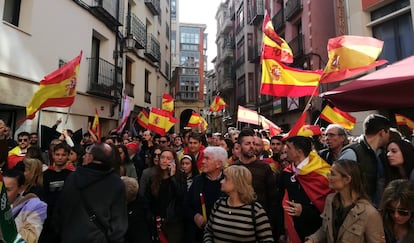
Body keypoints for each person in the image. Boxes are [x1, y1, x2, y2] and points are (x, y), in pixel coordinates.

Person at [55, 143, 128, 243]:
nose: (84, 156)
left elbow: (61, 210)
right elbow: (119, 222)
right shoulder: (116, 183)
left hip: (72, 236)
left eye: (86, 154)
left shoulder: (73, 178)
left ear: (91, 157)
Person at [305, 159, 385, 243]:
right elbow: (325, 230)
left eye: (333, 174)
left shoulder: (370, 214)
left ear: (347, 179)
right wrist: (312, 240)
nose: (328, 176)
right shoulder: (330, 201)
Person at [278, 136, 332, 243]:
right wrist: (281, 231)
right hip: (290, 231)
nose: (285, 150)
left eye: (288, 147)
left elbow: (327, 207)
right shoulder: (286, 173)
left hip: (314, 233)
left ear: (299, 152)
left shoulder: (322, 173)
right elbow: (279, 201)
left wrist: (304, 211)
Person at [204, 165, 274, 242]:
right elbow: (208, 232)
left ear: (237, 183)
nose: (221, 181)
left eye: (226, 178)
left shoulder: (255, 210)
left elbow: (267, 240)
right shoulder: (219, 204)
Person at [234, 128, 278, 237]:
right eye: (247, 143)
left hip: (259, 222)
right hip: (238, 221)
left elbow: (273, 198)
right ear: (239, 147)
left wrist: (270, 222)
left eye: (253, 143)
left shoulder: (265, 168)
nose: (252, 146)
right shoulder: (233, 168)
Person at [339, 114, 391, 205]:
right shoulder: (352, 153)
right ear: (382, 132)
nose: (389, 136)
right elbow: (339, 182)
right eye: (388, 132)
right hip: (357, 212)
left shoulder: (382, 153)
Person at [144, 148, 186, 243]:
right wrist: (150, 216)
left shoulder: (180, 177)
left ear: (174, 161)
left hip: (173, 222)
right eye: (162, 157)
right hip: (157, 220)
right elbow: (148, 198)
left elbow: (181, 196)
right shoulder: (153, 177)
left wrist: (172, 177)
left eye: (168, 158)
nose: (164, 160)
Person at [184, 146, 226, 243]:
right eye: (203, 158)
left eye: (207, 159)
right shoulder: (198, 181)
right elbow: (186, 204)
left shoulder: (229, 182)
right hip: (198, 235)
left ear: (218, 164)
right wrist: (195, 216)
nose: (202, 162)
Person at [3, 169, 47, 243]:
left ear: (21, 189)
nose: (2, 193)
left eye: (7, 190)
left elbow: (30, 239)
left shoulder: (35, 206)